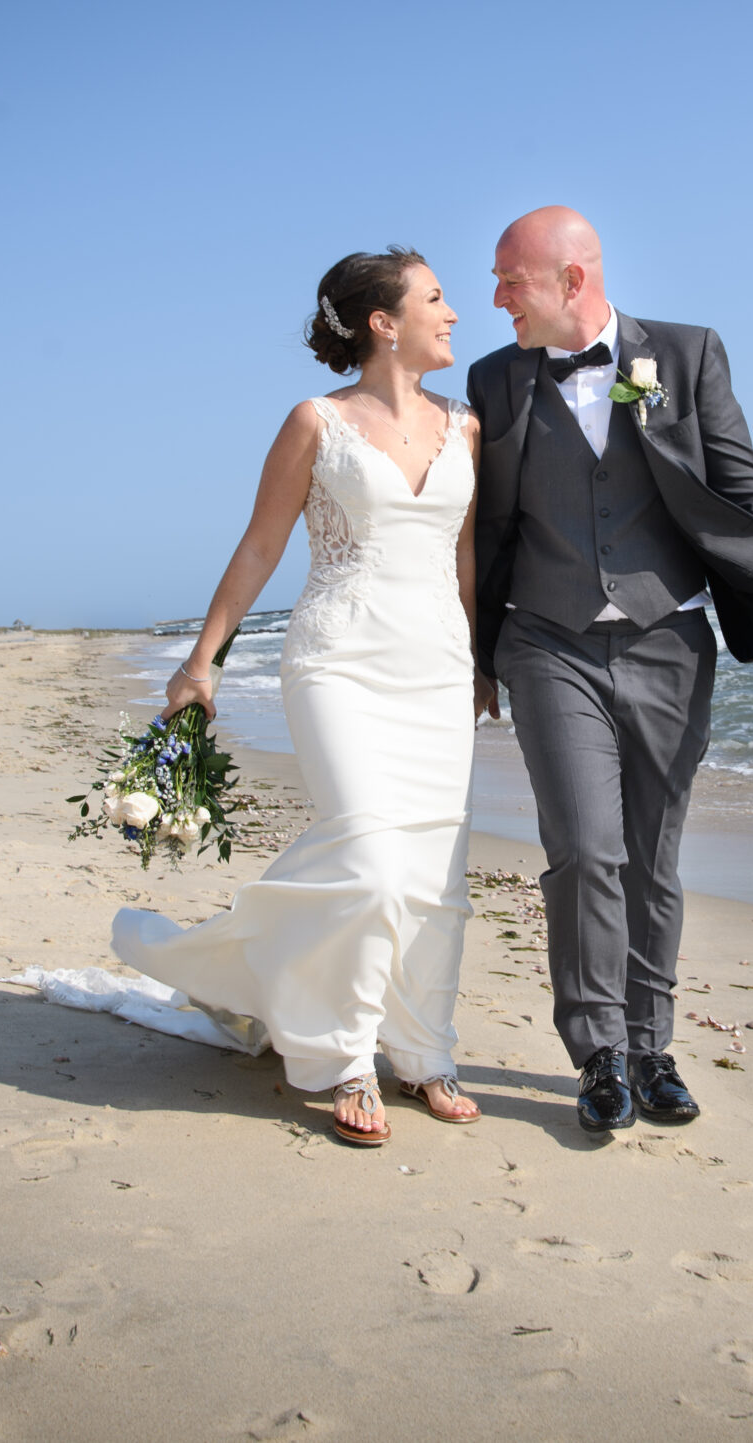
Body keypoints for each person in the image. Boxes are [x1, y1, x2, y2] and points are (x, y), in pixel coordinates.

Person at [112, 247, 481, 1148]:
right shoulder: (315, 421)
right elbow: (259, 547)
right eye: (436, 298)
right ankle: (342, 1054)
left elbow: (467, 556)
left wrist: (484, 662)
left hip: (438, 667)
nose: (454, 313)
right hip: (339, 662)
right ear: (382, 323)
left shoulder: (466, 427)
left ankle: (424, 1050)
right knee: (368, 857)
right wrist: (202, 662)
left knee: (435, 876)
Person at [467, 206, 753, 1134]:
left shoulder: (686, 355)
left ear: (572, 282)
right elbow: (485, 526)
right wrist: (476, 653)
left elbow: (741, 486)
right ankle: (599, 1053)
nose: (497, 298)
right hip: (547, 642)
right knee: (587, 849)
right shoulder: (495, 382)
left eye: (513, 281)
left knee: (652, 856)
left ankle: (653, 1045)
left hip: (669, 639)